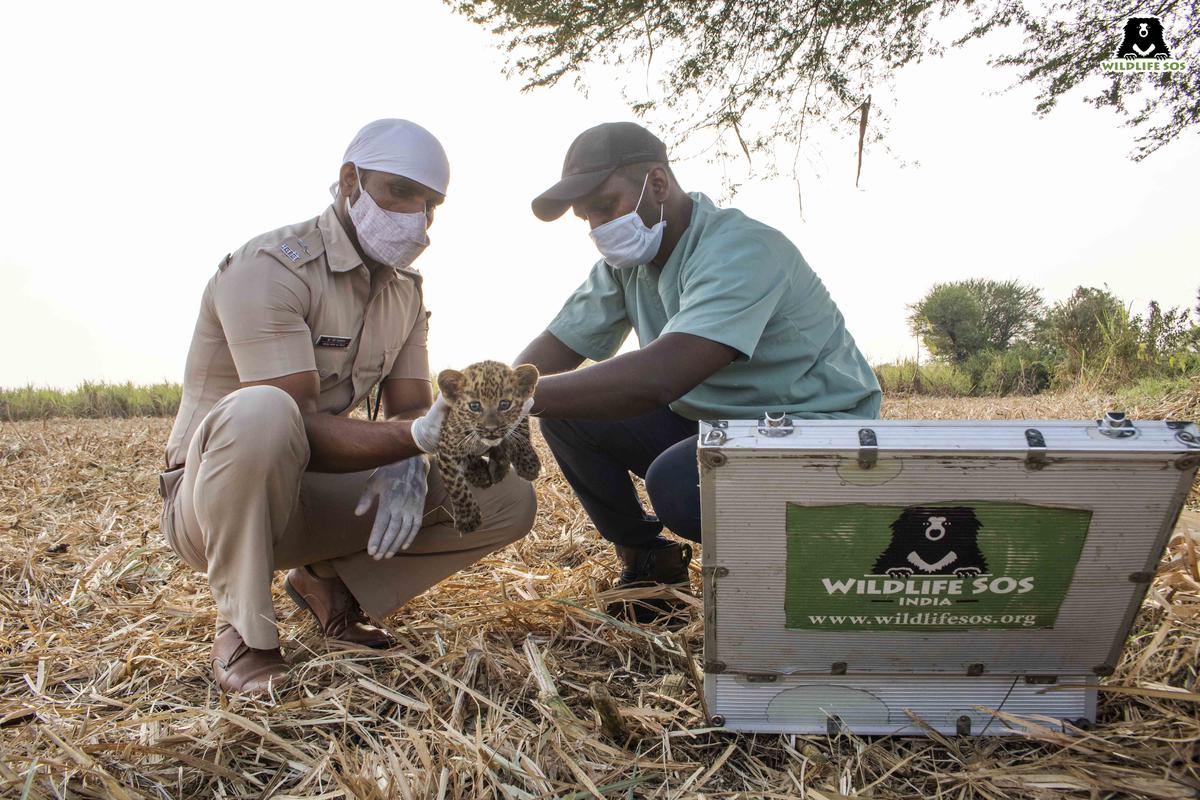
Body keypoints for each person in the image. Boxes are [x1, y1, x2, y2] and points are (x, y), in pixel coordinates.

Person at [159, 119, 536, 693]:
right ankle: (244, 631)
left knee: (504, 495)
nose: (417, 218)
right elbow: (298, 421)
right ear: (350, 181)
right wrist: (408, 443)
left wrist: (408, 456)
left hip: (314, 494)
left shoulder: (404, 290)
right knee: (263, 412)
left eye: (430, 204)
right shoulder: (270, 268)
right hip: (213, 501)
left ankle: (331, 585)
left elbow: (411, 405)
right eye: (400, 193)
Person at [516, 121, 880, 622]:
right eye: (588, 218)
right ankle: (651, 564)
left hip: (812, 427)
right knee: (568, 414)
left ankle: (815, 569)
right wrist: (490, 394)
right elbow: (555, 347)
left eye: (606, 206)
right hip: (717, 423)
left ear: (658, 184)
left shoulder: (742, 248)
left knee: (682, 486)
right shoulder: (627, 268)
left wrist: (508, 401)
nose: (599, 229)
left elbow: (661, 376)